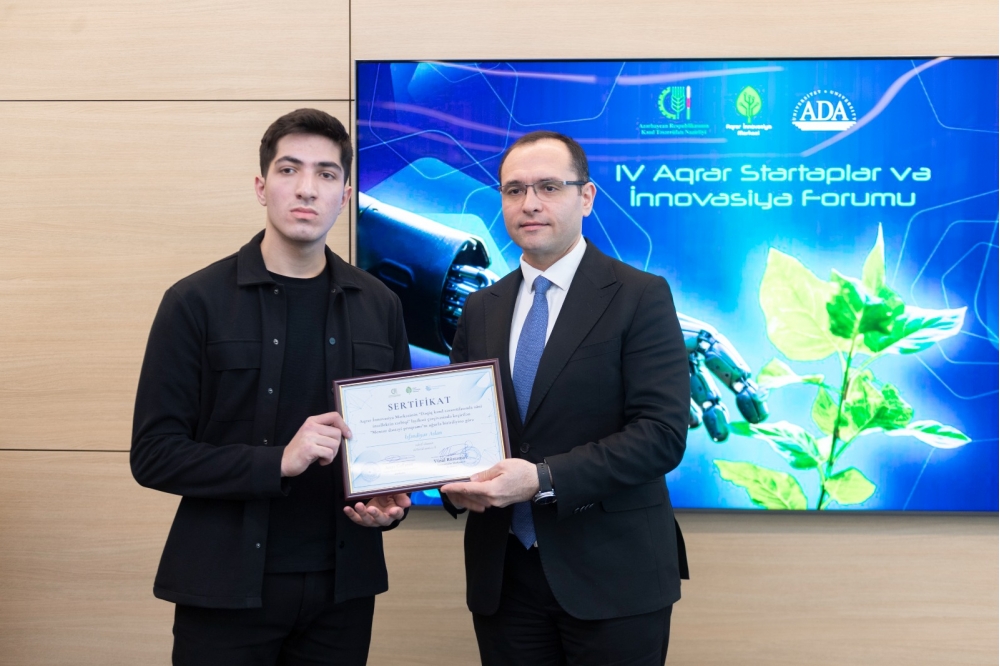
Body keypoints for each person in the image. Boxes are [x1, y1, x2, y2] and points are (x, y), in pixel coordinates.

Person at [131, 108, 411, 665]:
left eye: (326, 174)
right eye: (289, 170)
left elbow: (398, 447)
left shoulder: (380, 304)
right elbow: (155, 456)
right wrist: (278, 461)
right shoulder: (195, 302)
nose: (307, 188)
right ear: (262, 187)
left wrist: (391, 503)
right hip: (224, 588)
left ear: (345, 195)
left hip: (343, 591)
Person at [441, 131, 690, 665]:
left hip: (613, 575)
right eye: (514, 190)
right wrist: (451, 484)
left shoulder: (640, 296)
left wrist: (542, 479)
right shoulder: (480, 308)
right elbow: (460, 428)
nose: (529, 203)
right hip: (504, 576)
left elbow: (661, 435)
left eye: (549, 187)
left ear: (587, 197)